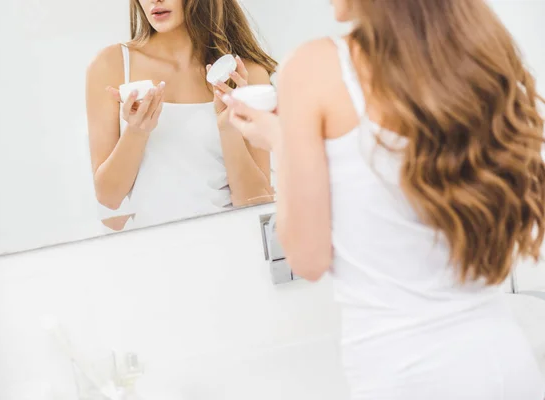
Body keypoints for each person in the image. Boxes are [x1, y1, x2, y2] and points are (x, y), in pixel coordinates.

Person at [224, 0, 545, 398]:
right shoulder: (475, 56)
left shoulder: (315, 67)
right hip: (503, 362)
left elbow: (307, 259)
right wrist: (282, 137)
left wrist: (284, 145)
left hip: (407, 375)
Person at [86, 0, 277, 232]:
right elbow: (109, 200)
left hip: (232, 246)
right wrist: (137, 132)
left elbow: (257, 205)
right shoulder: (112, 65)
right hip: (153, 254)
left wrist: (229, 129)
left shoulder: (245, 74)